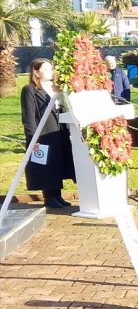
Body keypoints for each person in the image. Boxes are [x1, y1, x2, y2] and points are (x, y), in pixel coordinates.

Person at [21, 58, 75, 208]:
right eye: (45, 69)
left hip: (58, 131)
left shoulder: (55, 88)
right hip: (43, 132)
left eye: (51, 69)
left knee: (57, 162)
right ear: (36, 72)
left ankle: (57, 195)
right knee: (46, 164)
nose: (50, 72)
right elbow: (28, 116)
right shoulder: (30, 90)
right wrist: (33, 138)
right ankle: (49, 197)